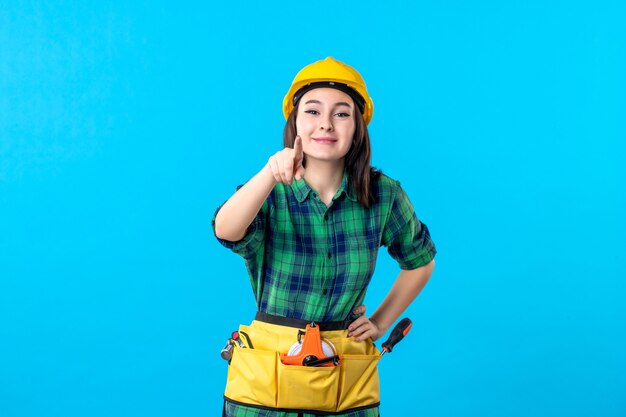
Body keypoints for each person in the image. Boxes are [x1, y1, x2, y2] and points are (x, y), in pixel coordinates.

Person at [212, 57, 436, 417]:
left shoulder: (384, 195)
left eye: (342, 114)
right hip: (265, 388)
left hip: (344, 381)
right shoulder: (269, 191)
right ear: (295, 122)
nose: (326, 125)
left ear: (358, 126)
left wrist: (379, 322)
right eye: (312, 112)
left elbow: (420, 262)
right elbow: (226, 229)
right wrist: (270, 173)